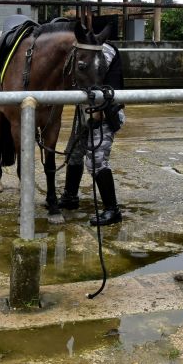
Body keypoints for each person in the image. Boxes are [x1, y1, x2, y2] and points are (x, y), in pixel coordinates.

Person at [58, 39, 125, 226]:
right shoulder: (83, 48)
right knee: (74, 152)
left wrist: (98, 108)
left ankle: (112, 210)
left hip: (104, 111)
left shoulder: (105, 50)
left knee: (97, 160)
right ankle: (70, 196)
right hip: (85, 110)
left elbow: (95, 76)